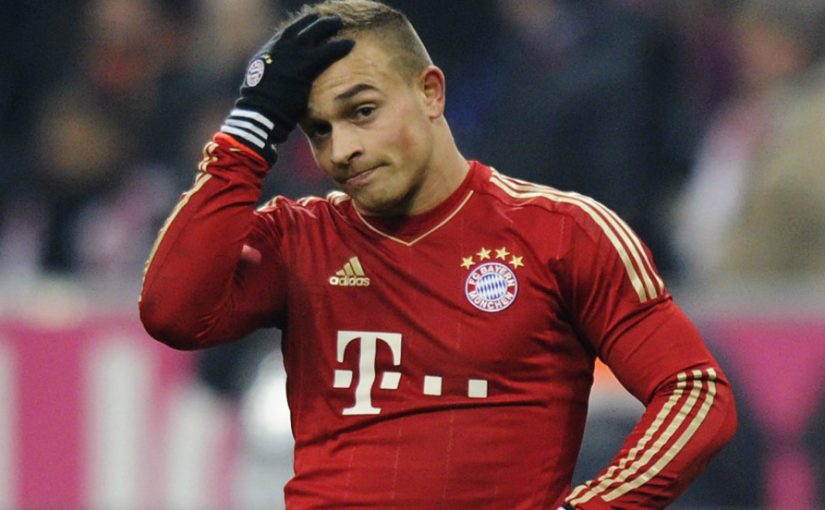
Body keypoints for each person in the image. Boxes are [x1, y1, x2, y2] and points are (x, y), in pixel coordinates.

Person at [139, 1, 737, 508]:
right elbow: (172, 313)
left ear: (430, 92)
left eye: (363, 112)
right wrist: (248, 129)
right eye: (319, 130)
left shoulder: (563, 233)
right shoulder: (298, 238)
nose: (342, 149)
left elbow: (695, 391)